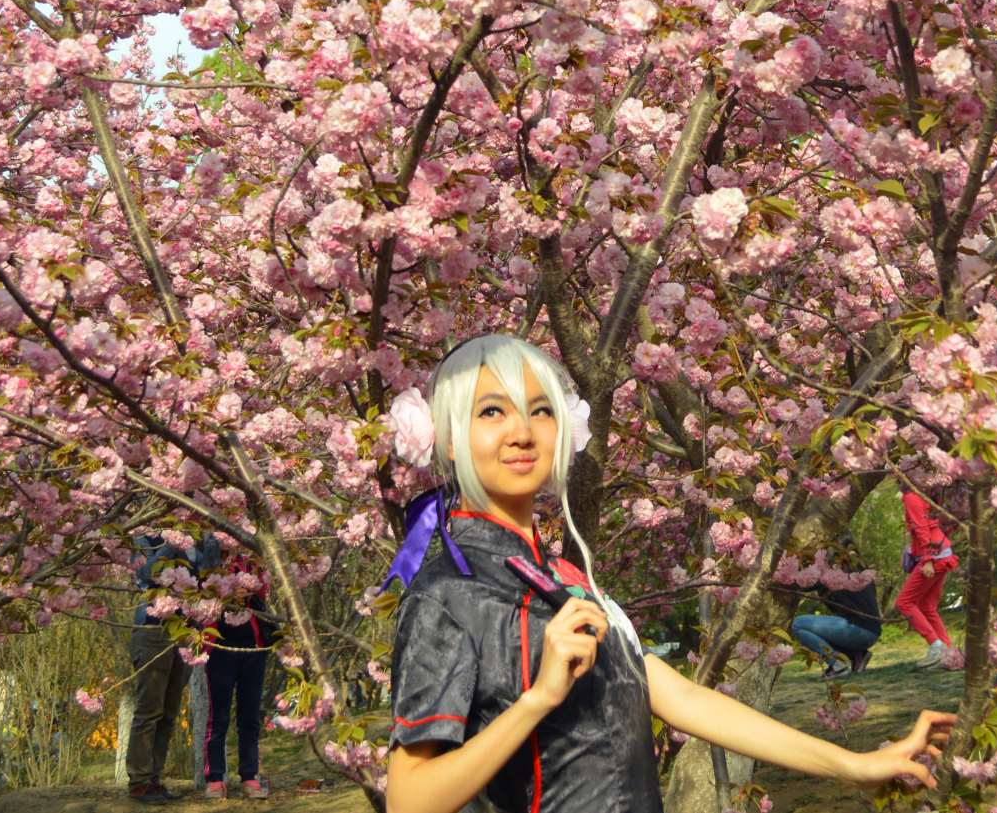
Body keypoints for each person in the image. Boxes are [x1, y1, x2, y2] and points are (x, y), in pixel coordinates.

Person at [383, 335, 951, 813]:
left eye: (540, 409)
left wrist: (853, 765)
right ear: (449, 437)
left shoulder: (558, 576)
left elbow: (678, 697)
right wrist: (535, 701)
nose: (522, 431)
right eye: (491, 411)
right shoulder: (448, 593)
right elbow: (409, 799)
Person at [126, 530, 217, 803]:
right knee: (149, 709)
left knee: (168, 712)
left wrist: (209, 542)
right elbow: (146, 573)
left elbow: (212, 579)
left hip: (187, 632)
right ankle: (139, 782)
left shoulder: (201, 540)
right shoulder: (146, 538)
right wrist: (173, 543)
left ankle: (154, 779)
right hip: (153, 630)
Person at [202, 556, 276, 800]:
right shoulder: (209, 559)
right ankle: (215, 779)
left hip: (253, 647)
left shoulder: (252, 562)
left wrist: (254, 580)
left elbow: (262, 597)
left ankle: (249, 776)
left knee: (250, 716)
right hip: (220, 649)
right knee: (218, 716)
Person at [787, 539, 882, 679]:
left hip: (858, 630)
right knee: (822, 628)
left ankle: (837, 664)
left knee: (799, 624)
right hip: (872, 631)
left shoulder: (834, 570)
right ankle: (857, 654)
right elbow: (834, 606)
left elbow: (799, 583)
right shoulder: (860, 567)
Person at [895, 487, 956, 668]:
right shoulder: (927, 494)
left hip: (934, 556)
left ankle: (936, 646)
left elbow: (922, 528)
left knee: (903, 603)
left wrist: (927, 559)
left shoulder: (913, 497)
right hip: (943, 552)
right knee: (927, 607)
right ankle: (949, 654)